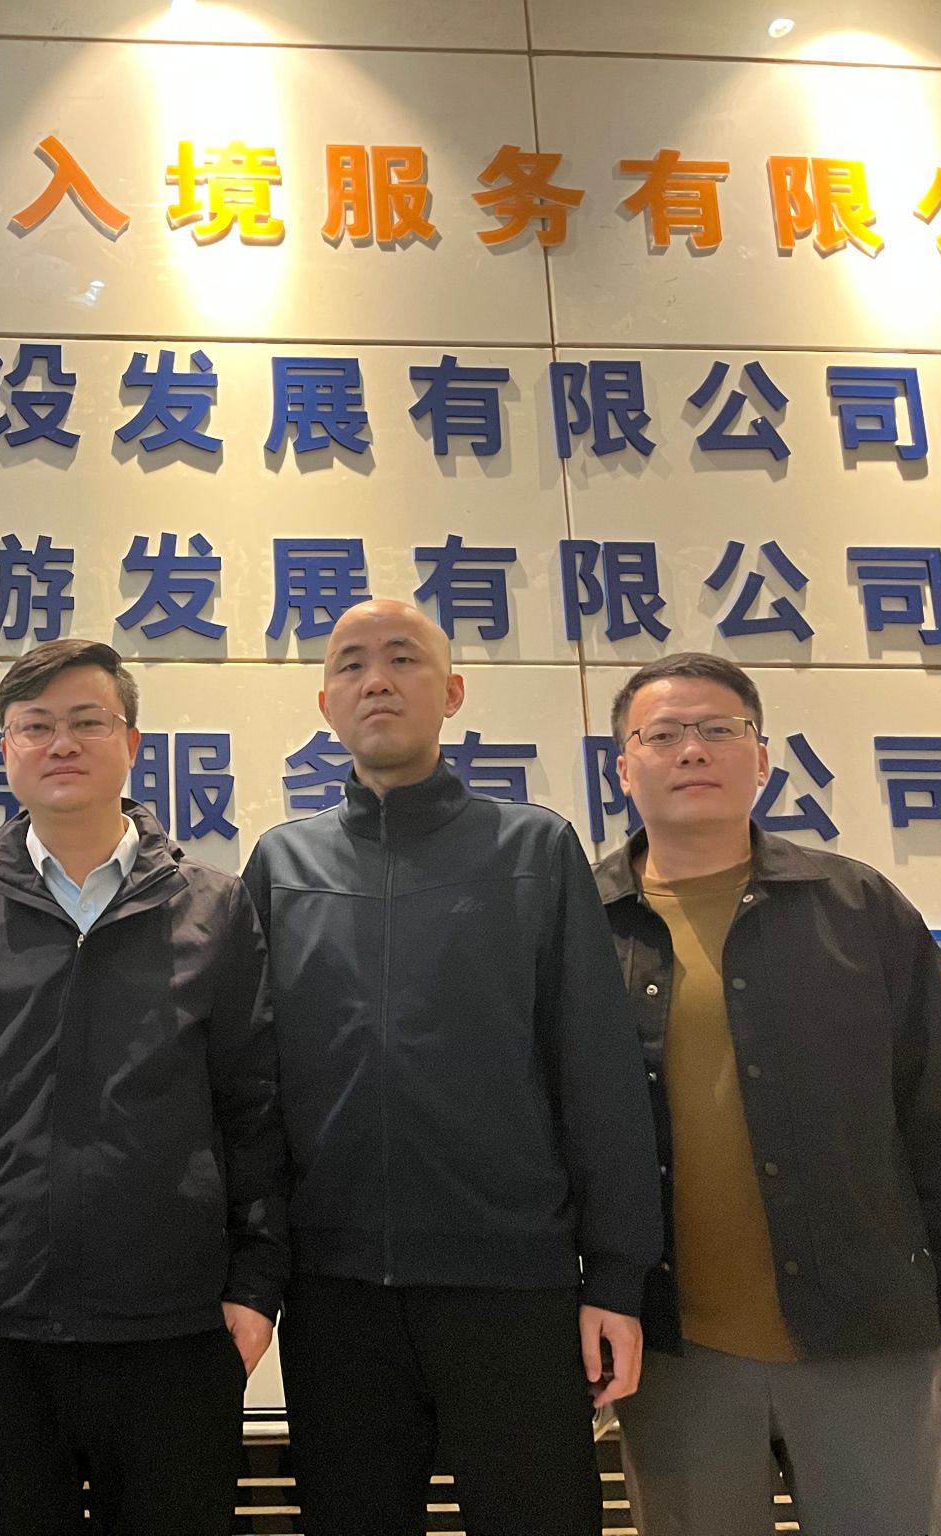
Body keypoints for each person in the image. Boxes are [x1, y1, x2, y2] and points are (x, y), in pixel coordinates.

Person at [242, 598, 662, 1536]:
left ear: (453, 693)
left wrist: (615, 1279)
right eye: (351, 665)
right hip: (336, 1295)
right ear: (325, 703)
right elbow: (252, 1089)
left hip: (511, 1287)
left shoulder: (533, 849)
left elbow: (596, 1071)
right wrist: (254, 1274)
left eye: (403, 659)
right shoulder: (282, 863)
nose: (376, 681)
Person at [597, 651, 941, 1536]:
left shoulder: (857, 907)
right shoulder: (582, 925)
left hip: (868, 1335)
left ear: (761, 758)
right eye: (663, 734)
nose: (692, 750)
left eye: (719, 730)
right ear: (623, 767)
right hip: (675, 1353)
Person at [0, 638, 286, 1536]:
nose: (61, 743)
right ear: (7, 751)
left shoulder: (213, 907)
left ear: (131, 743)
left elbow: (254, 1110)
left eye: (87, 722)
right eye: (36, 726)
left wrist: (255, 1288)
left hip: (177, 1328)